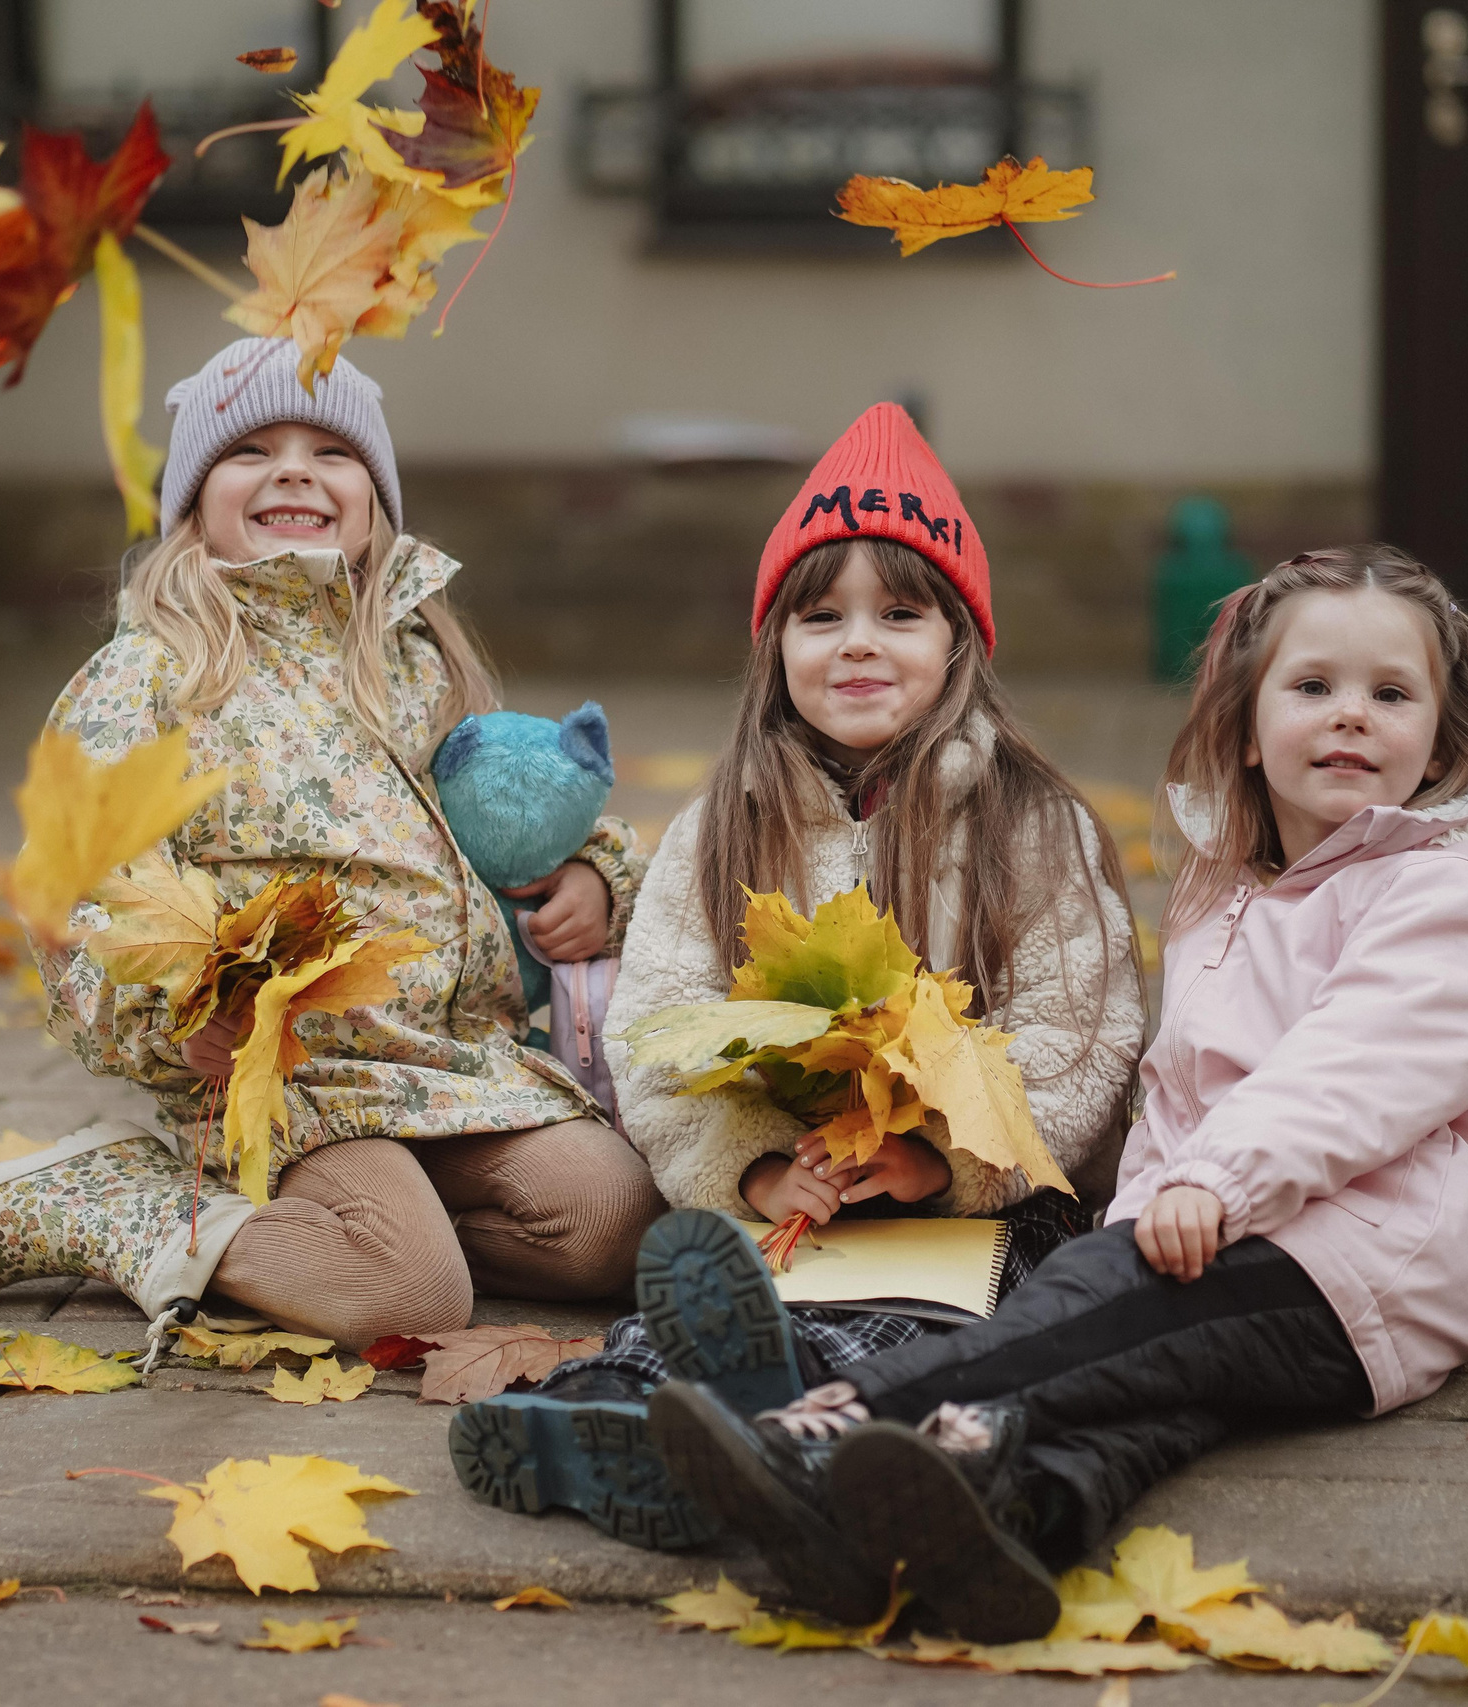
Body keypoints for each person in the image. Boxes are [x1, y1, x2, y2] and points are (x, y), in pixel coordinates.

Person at [646, 544, 1468, 1642]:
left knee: (1079, 1320)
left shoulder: (1455, 896)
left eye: (1390, 694)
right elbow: (1179, 1095)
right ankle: (1001, 1528)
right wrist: (1153, 1209)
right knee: (1143, 1404)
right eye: (1312, 688)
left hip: (1363, 1253)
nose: (1351, 717)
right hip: (1250, 1239)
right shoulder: (1231, 894)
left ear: (1443, 737)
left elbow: (1362, 1071)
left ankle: (826, 1426)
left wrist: (1203, 1193)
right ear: (1243, 726)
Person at [446, 403, 1145, 1550]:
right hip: (799, 1196)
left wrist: (937, 1161)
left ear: (962, 640)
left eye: (900, 613)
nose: (857, 642)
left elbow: (1081, 1036)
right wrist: (759, 1171)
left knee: (912, 1327)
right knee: (723, 1309)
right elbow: (660, 1027)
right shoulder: (725, 824)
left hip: (978, 1206)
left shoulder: (1034, 825)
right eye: (821, 616)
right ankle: (615, 1426)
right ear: (775, 645)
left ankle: (792, 1452)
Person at [0, 338, 663, 1353]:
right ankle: (114, 1202)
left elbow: (518, 804)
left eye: (329, 451)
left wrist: (592, 879)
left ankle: (377, 1225)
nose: (293, 468)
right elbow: (77, 898)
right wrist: (169, 1018)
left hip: (448, 1068)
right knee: (412, 1304)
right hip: (284, 1079)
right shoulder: (154, 677)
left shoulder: (417, 666)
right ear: (192, 500)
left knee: (615, 1224)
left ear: (374, 498)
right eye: (251, 448)